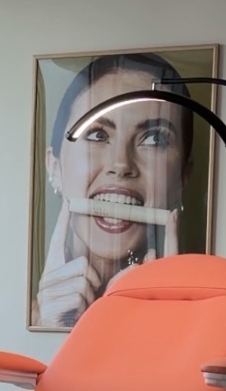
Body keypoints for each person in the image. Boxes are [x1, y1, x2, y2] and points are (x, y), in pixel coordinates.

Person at [32, 53, 195, 329]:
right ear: (54, 166)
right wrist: (53, 328)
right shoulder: (17, 323)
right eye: (97, 135)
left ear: (183, 177)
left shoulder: (207, 322)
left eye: (154, 139)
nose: (121, 164)